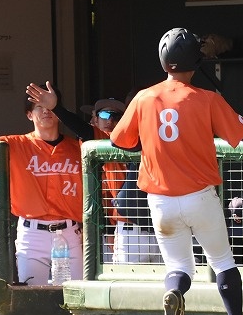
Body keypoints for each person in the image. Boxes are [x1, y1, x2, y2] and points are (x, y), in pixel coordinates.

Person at [110, 28, 243, 315]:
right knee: (222, 261)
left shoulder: (144, 98)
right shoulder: (206, 98)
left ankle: (175, 291)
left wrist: (155, 146)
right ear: (195, 62)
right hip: (199, 197)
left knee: (179, 267)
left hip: (160, 200)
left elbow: (120, 142)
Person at [0, 88, 83, 285]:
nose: (45, 111)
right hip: (33, 234)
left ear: (58, 111)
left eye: (49, 106)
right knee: (32, 294)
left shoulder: (78, 147)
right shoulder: (15, 144)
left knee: (76, 294)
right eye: (39, 107)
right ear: (29, 114)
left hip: (70, 232)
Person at [26, 84, 159, 264]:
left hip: (169, 226)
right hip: (131, 232)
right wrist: (56, 108)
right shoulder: (113, 140)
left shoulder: (170, 137)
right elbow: (83, 129)